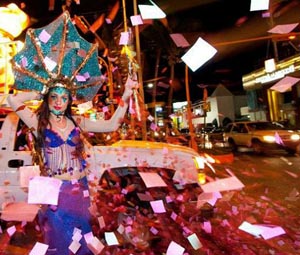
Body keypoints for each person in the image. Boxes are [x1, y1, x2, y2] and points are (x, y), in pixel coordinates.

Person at [7, 76, 136, 255]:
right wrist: (39, 92)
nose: (59, 102)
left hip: (78, 192)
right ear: (48, 99)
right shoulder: (38, 122)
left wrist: (128, 92)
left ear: (69, 101)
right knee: (60, 241)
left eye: (64, 98)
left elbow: (112, 124)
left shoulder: (76, 122)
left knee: (82, 240)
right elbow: (12, 99)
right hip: (56, 195)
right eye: (54, 97)